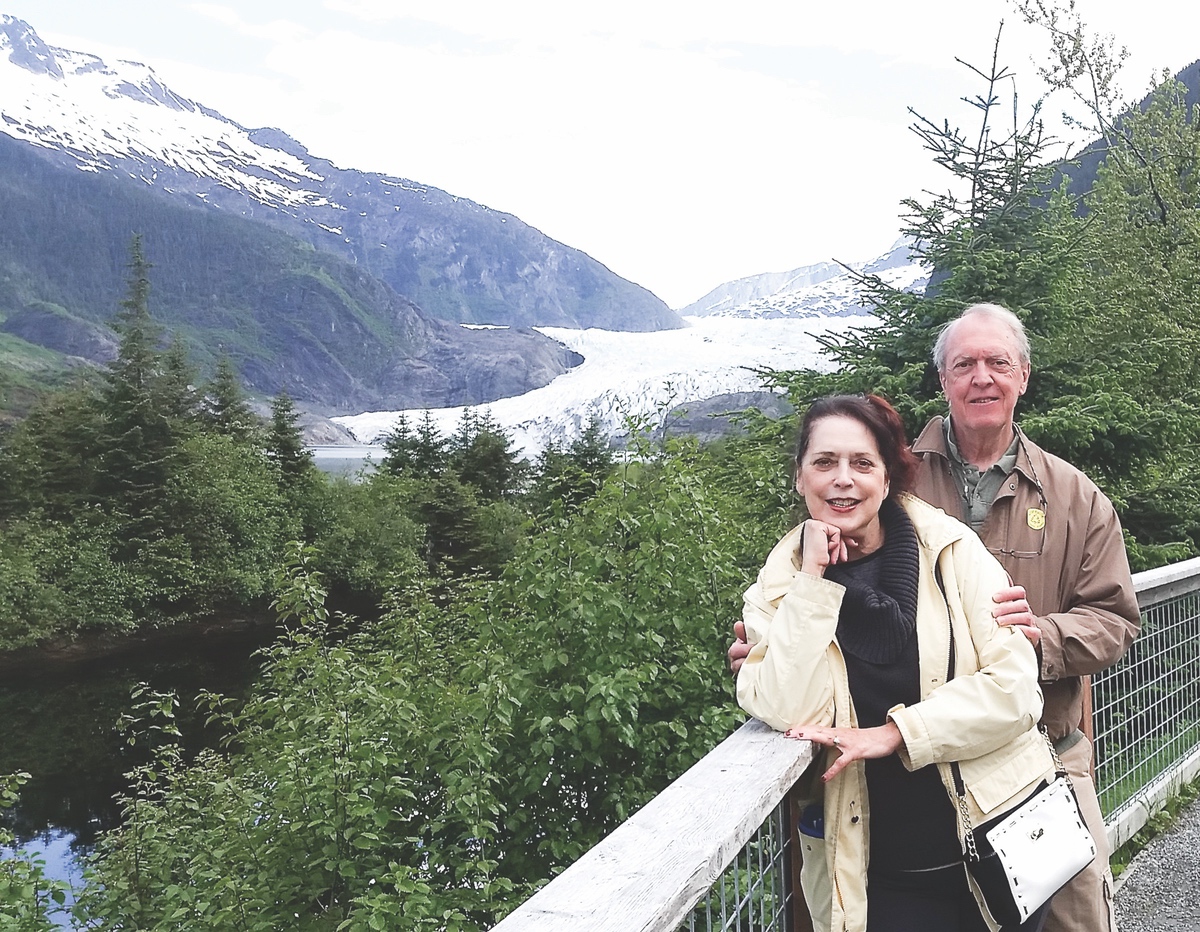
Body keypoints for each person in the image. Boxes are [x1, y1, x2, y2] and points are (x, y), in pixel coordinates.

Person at [729, 303, 1139, 932]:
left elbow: (1113, 621)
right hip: (879, 815)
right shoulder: (896, 476)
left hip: (1036, 760)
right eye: (963, 365)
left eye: (997, 363)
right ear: (942, 380)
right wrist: (781, 639)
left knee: (1076, 914)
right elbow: (794, 670)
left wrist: (1038, 637)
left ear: (1023, 376)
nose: (982, 377)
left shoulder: (1071, 497)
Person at [737, 393, 1056, 932]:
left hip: (1000, 842)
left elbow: (1018, 690)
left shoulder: (954, 553)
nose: (843, 479)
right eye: (824, 462)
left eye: (862, 463)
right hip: (878, 874)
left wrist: (896, 733)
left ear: (887, 480)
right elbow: (787, 707)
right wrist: (812, 584)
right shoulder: (776, 590)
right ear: (799, 477)